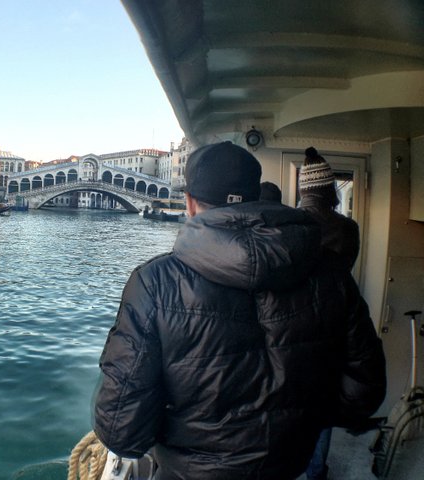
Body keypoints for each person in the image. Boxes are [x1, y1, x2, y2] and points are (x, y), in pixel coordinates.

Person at [92, 141, 386, 480]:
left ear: (189, 203)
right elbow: (364, 393)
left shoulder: (154, 283)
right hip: (290, 467)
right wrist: (298, 420)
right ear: (256, 195)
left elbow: (121, 431)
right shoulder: (331, 273)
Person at [299, 147, 361, 480]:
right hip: (333, 328)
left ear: (303, 189)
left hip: (293, 327)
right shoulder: (348, 230)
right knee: (323, 404)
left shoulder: (290, 225)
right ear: (330, 188)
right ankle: (316, 472)